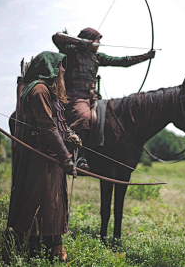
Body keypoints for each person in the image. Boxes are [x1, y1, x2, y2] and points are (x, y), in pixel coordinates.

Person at [7, 51, 81, 263]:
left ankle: (51, 248)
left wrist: (70, 135)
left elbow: (58, 123)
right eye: (60, 66)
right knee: (42, 203)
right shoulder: (39, 90)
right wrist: (66, 157)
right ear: (50, 68)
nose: (63, 71)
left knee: (53, 204)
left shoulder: (48, 91)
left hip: (51, 157)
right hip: (41, 159)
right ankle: (33, 251)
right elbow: (47, 127)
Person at [52, 27, 155, 169]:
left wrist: (145, 56)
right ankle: (75, 155)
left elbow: (122, 61)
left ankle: (99, 155)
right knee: (84, 118)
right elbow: (57, 37)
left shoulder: (96, 57)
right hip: (76, 96)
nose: (99, 43)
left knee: (111, 120)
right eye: (97, 40)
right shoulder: (72, 51)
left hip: (93, 97)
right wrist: (83, 42)